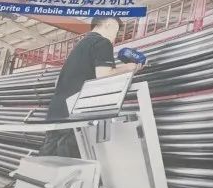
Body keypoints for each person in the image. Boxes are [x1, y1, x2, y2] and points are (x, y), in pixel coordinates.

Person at [37, 16, 142, 158]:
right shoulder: (102, 42)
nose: (115, 36)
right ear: (108, 24)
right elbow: (104, 75)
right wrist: (129, 68)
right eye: (116, 31)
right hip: (74, 113)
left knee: (47, 159)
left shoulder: (81, 45)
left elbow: (59, 80)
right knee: (69, 162)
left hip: (56, 111)